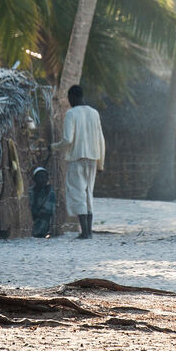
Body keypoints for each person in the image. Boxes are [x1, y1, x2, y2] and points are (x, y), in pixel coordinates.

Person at [51, 85, 105, 239]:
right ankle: (89, 232)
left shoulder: (71, 114)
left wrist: (53, 147)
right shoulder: (94, 113)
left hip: (77, 159)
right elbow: (101, 139)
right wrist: (101, 163)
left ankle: (85, 232)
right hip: (93, 159)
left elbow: (68, 139)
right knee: (89, 194)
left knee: (78, 193)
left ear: (72, 97)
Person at [29, 167, 57, 238]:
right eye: (40, 177)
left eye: (44, 177)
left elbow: (50, 210)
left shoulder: (50, 192)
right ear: (34, 179)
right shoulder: (30, 192)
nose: (42, 180)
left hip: (44, 221)